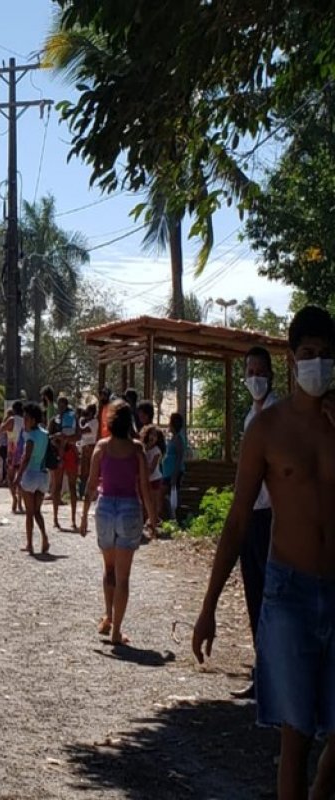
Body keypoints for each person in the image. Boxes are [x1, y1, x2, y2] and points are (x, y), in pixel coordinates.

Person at [193, 307, 335, 800]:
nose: (318, 363)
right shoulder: (267, 429)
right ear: (292, 360)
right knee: (296, 736)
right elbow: (237, 520)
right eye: (309, 353)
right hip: (290, 590)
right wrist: (208, 606)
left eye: (327, 354)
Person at [81, 401, 154, 646]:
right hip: (129, 509)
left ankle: (108, 616)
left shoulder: (101, 447)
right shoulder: (137, 449)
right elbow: (145, 488)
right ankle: (116, 632)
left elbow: (91, 485)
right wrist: (153, 519)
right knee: (124, 577)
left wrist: (83, 516)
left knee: (109, 569)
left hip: (104, 510)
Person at [231, 345, 279, 699]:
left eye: (260, 372)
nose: (255, 378)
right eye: (250, 372)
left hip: (276, 518)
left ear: (271, 375)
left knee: (274, 596)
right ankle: (262, 670)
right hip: (252, 515)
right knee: (254, 594)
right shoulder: (250, 417)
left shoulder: (279, 414)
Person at [17, 403, 50, 554]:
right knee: (37, 511)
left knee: (29, 513)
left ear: (33, 420)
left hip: (30, 475)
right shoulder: (45, 434)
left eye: (26, 418)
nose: (24, 421)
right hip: (43, 476)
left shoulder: (30, 437)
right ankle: (44, 537)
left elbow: (26, 458)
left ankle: (30, 544)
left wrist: (18, 476)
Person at [50, 396, 80, 532]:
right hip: (58, 453)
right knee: (57, 486)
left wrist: (67, 438)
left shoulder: (73, 419)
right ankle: (55, 518)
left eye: (63, 405)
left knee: (72, 487)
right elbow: (49, 436)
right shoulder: (54, 421)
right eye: (60, 405)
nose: (61, 407)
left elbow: (78, 436)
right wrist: (57, 438)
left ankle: (73, 519)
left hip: (70, 452)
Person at [141, 425, 166, 540]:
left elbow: (152, 468)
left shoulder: (156, 451)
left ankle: (153, 526)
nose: (152, 437)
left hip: (154, 479)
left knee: (153, 504)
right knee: (145, 503)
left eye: (155, 436)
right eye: (151, 434)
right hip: (145, 479)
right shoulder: (143, 448)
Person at [162, 412, 187, 522]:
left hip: (174, 473)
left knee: (172, 495)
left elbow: (179, 457)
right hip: (168, 473)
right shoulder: (174, 438)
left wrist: (175, 475)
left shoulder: (179, 439)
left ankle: (176, 517)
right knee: (166, 495)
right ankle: (170, 517)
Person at [3, 401, 26, 515]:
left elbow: (1, 429)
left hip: (12, 451)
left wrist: (6, 418)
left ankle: (14, 498)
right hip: (23, 451)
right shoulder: (25, 420)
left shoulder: (11, 420)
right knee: (20, 477)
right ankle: (20, 502)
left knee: (10, 478)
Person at [77, 404, 99, 497]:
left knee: (89, 471)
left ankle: (91, 492)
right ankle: (83, 492)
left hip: (90, 447)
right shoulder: (87, 422)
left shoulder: (94, 422)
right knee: (83, 471)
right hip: (85, 447)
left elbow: (83, 431)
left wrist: (78, 419)